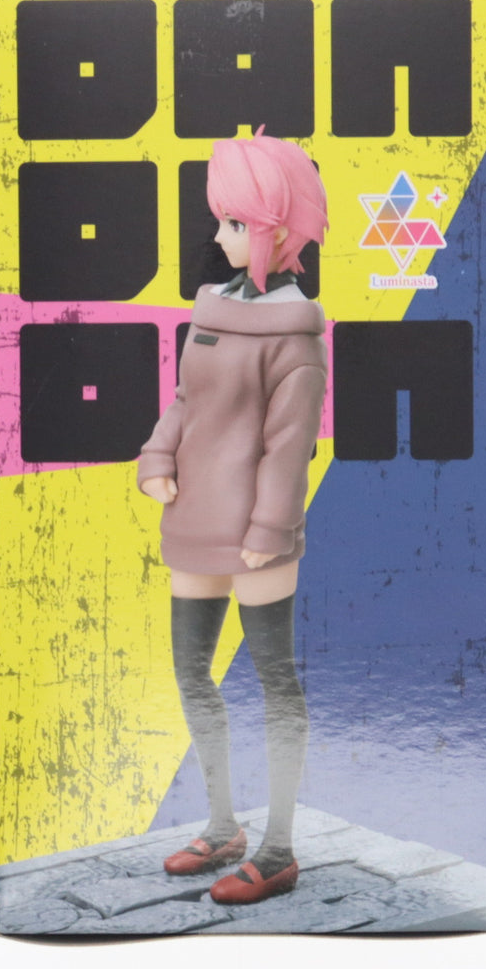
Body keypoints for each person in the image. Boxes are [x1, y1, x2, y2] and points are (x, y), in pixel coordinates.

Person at [138, 128, 328, 904]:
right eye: (222, 219)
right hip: (193, 515)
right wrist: (158, 455)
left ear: (279, 230)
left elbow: (290, 445)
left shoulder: (296, 334)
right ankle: (223, 826)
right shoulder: (213, 309)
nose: (219, 235)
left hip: (255, 532)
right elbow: (186, 399)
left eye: (236, 222)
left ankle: (279, 848)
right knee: (191, 670)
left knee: (274, 679)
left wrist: (269, 528)